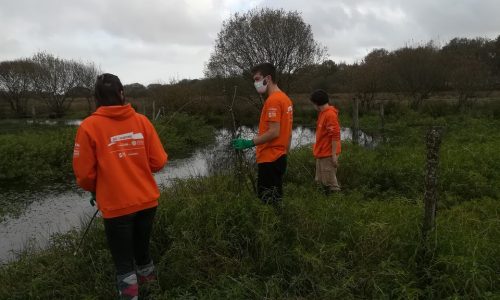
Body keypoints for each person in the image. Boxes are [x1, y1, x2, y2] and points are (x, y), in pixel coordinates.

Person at [72, 73, 167, 299]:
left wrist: (96, 188)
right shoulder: (142, 121)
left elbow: (84, 175)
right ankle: (153, 292)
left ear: (96, 98)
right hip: (147, 202)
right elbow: (159, 162)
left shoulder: (88, 127)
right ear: (122, 93)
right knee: (142, 253)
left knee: (124, 262)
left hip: (116, 208)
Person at [232, 63, 293, 205]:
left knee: (268, 201)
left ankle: (272, 226)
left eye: (257, 78)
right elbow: (288, 133)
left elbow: (274, 132)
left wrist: (249, 143)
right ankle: (280, 224)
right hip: (280, 156)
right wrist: (285, 154)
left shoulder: (273, 101)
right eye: (254, 80)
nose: (256, 83)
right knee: (276, 197)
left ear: (268, 78)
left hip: (270, 158)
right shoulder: (285, 99)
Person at [310, 89, 341, 195]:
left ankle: (337, 205)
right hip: (321, 154)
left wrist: (333, 156)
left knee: (331, 184)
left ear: (317, 103)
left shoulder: (330, 115)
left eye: (313, 103)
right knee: (320, 181)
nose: (313, 106)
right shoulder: (322, 113)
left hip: (328, 155)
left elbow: (335, 136)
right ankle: (323, 204)